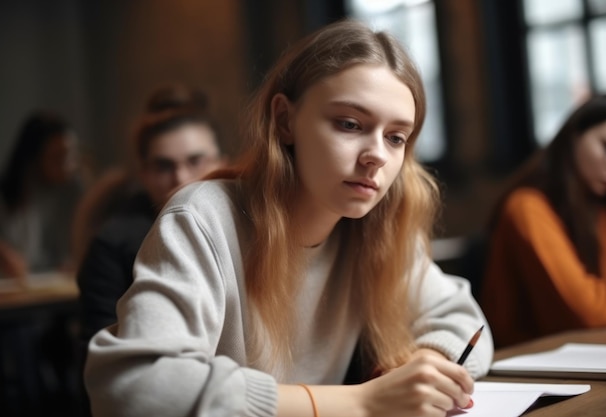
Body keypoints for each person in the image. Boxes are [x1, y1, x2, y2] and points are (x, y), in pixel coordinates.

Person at [85, 20, 493, 417]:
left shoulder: (377, 226)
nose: (378, 157)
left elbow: (463, 320)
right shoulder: (203, 217)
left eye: (396, 137)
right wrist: (361, 404)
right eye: (349, 124)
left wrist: (421, 370)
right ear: (284, 121)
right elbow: (138, 388)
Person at [76, 83, 224, 347]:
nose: (181, 177)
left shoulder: (248, 222)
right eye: (164, 166)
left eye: (195, 161)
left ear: (222, 162)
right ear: (144, 173)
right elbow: (101, 357)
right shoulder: (111, 244)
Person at [480, 93, 606, 348]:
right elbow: (590, 311)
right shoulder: (527, 207)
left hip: (585, 357)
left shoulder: (605, 209)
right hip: (521, 367)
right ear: (575, 135)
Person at [0, 110, 84, 278]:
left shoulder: (73, 190)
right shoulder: (8, 193)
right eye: (58, 157)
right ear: (34, 158)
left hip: (50, 285)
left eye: (71, 154)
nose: (68, 165)